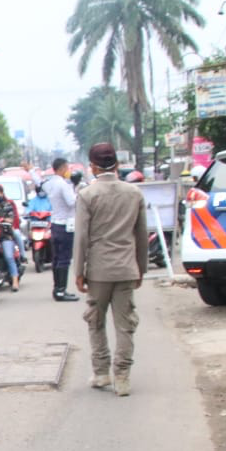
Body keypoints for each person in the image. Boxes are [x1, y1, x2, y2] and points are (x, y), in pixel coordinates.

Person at [75, 142, 148, 397]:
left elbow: (82, 238)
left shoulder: (87, 195)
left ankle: (101, 372)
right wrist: (141, 268)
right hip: (127, 268)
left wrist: (78, 271)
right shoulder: (134, 193)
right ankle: (123, 377)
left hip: (98, 270)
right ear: (117, 164)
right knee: (125, 325)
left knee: (95, 322)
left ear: (93, 166)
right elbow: (141, 235)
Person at [42, 157, 80, 301]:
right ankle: (61, 291)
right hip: (66, 225)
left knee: (56, 258)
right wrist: (77, 191)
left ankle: (57, 289)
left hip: (55, 224)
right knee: (64, 258)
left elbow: (40, 184)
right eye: (67, 168)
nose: (68, 171)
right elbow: (71, 202)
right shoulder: (64, 185)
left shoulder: (50, 183)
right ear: (62, 168)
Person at [0, 183, 21, 292]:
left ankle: (15, 280)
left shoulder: (7, 205)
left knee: (9, 257)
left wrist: (1, 220)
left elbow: (11, 220)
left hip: (5, 234)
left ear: (2, 194)